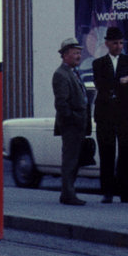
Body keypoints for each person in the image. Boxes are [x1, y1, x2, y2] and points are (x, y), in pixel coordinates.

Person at [91, 26, 128, 204]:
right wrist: (120, 82)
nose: (119, 46)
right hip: (105, 114)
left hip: (126, 113)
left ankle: (125, 192)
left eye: (121, 43)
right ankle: (107, 191)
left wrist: (122, 83)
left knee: (126, 152)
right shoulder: (98, 63)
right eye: (115, 43)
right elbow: (101, 85)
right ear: (107, 44)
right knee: (107, 152)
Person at [52, 36, 90, 206]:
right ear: (65, 55)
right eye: (75, 53)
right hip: (71, 125)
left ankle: (68, 192)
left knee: (75, 159)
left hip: (78, 124)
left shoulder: (73, 72)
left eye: (79, 53)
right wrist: (74, 119)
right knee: (70, 160)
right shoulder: (61, 74)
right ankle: (68, 194)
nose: (78, 56)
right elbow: (61, 103)